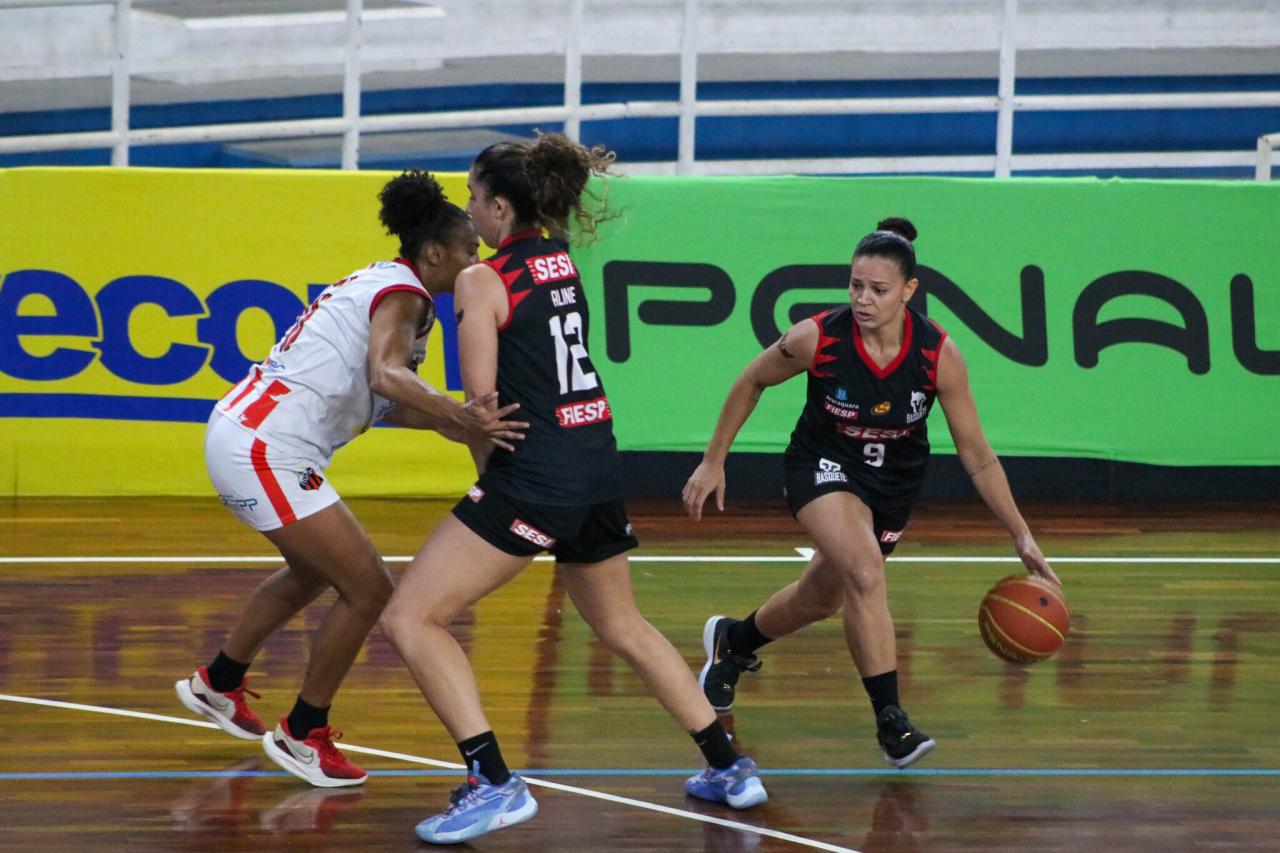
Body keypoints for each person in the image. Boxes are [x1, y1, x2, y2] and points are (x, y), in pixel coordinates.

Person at [379, 133, 768, 845]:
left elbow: (483, 403)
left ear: (500, 207)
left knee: (411, 617)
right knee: (623, 625)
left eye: (472, 196)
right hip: (595, 464)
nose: (466, 210)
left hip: (538, 475)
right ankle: (729, 765)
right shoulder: (561, 261)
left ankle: (493, 781)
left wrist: (431, 421)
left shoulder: (479, 280)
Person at [176, 171, 527, 788]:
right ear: (436, 254)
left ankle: (219, 683)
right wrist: (462, 414)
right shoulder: (407, 296)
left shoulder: (388, 286)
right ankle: (304, 733)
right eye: (471, 250)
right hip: (266, 448)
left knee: (317, 570)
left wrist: (458, 426)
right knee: (370, 591)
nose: (479, 259)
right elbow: (386, 377)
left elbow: (391, 401)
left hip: (246, 436)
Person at [682, 217, 1061, 769]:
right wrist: (713, 460)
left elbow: (977, 454)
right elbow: (752, 379)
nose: (863, 298)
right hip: (820, 465)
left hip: (892, 483)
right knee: (865, 571)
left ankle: (734, 643)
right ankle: (892, 721)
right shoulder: (818, 337)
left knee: (823, 598)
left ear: (908, 292)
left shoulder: (937, 355)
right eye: (856, 285)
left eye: (878, 289)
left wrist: (1020, 533)